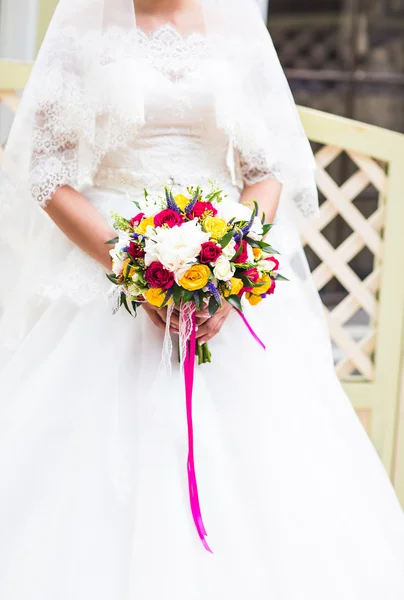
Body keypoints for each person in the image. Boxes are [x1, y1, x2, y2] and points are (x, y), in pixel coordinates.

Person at [0, 0, 404, 598]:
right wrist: (133, 268)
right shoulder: (85, 27)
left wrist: (231, 266)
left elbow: (266, 169)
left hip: (222, 268)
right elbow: (46, 174)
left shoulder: (234, 27)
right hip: (112, 277)